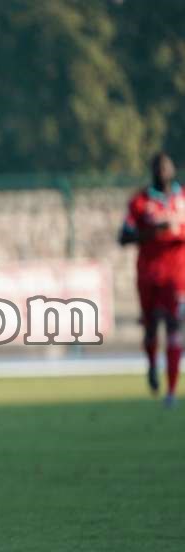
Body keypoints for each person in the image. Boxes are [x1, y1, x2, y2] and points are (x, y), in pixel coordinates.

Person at [119, 152, 185, 407]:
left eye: (166, 167)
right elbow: (124, 237)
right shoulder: (140, 202)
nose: (162, 171)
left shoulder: (182, 198)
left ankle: (171, 390)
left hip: (177, 275)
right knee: (151, 328)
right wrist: (152, 233)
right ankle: (151, 364)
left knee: (174, 326)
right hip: (148, 274)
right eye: (158, 167)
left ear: (173, 169)